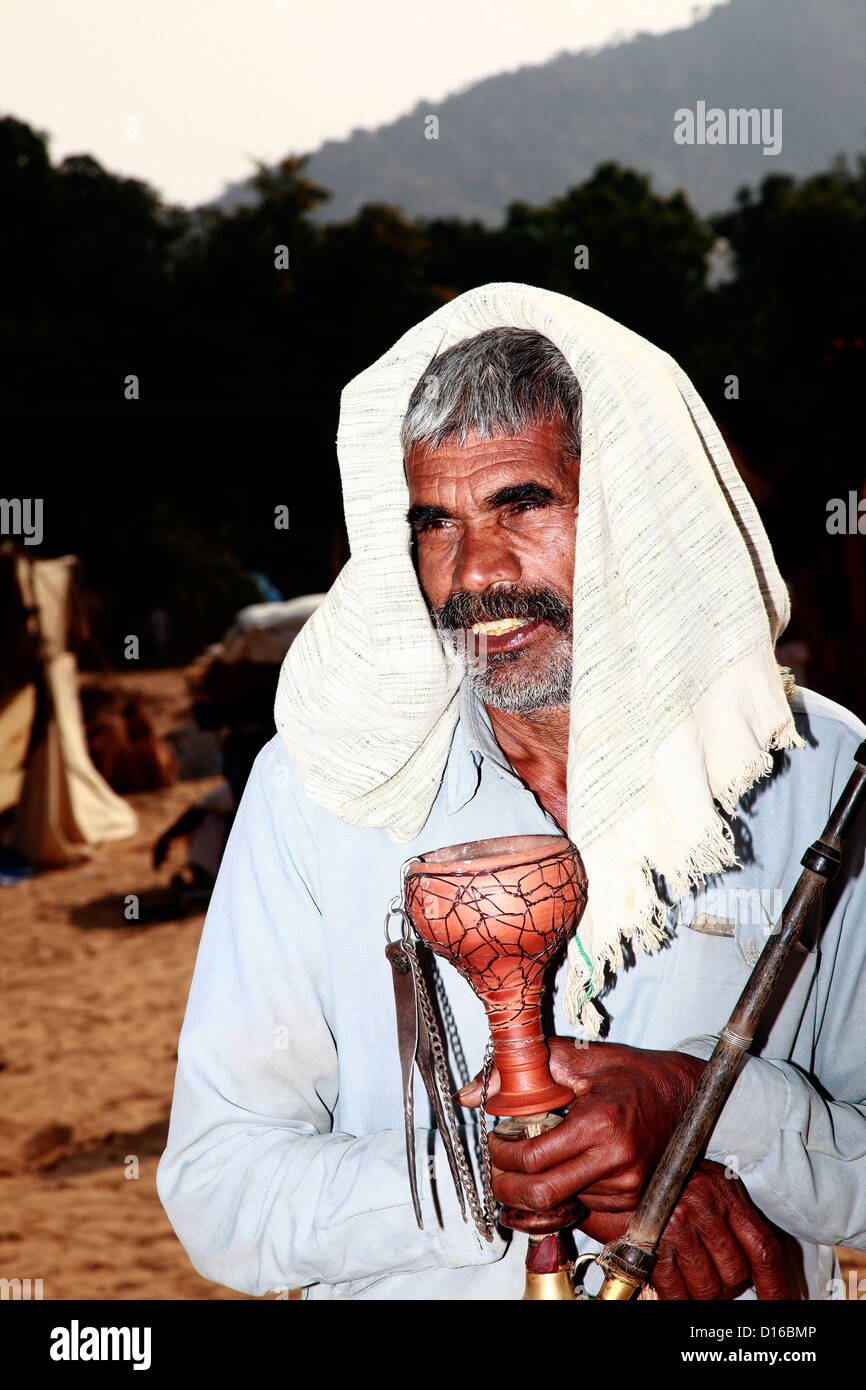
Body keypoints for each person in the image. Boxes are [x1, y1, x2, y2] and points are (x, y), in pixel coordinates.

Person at [157, 283, 866, 1301]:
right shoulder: (325, 788)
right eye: (432, 521)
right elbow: (219, 1189)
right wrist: (497, 1179)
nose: (471, 574)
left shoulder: (815, 775)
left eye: (521, 504)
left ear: (631, 508)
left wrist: (698, 1109)